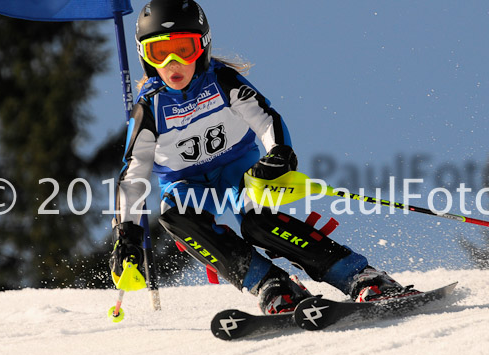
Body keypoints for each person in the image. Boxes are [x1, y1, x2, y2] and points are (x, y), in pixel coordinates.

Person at [109, 0, 417, 314]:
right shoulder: (149, 109)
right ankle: (272, 284)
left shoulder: (221, 81)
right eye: (160, 53)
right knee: (174, 216)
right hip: (186, 183)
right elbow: (133, 176)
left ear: (202, 47)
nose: (173, 63)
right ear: (145, 57)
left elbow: (265, 118)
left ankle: (359, 275)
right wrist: (128, 233)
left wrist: (280, 154)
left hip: (236, 168)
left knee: (257, 222)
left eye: (184, 50)